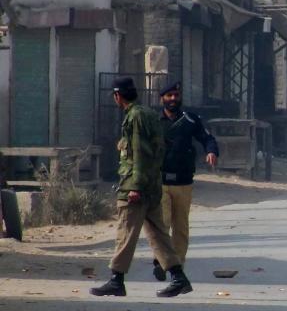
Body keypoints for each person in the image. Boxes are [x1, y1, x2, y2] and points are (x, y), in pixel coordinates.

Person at [90, 77, 194, 298]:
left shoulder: (135, 116)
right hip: (153, 185)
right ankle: (178, 278)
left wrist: (135, 187)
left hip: (136, 186)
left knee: (126, 233)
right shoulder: (147, 114)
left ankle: (116, 280)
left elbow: (139, 153)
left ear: (117, 96)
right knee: (159, 235)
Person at [151, 80, 220, 282]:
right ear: (162, 98)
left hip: (184, 183)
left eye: (176, 95)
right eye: (169, 95)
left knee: (180, 227)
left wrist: (211, 152)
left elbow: (207, 138)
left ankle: (176, 268)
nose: (173, 99)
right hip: (160, 181)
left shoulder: (190, 120)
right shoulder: (153, 121)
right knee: (162, 224)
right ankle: (161, 261)